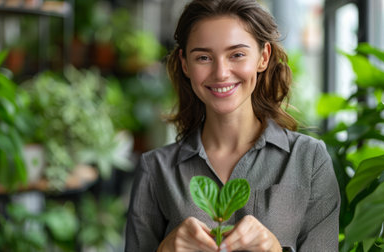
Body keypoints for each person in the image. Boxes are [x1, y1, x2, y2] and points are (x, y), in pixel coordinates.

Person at [125, 0, 340, 251]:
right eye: (203, 57)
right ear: (185, 64)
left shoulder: (310, 160)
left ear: (263, 57)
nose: (221, 73)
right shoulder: (155, 170)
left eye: (237, 54)